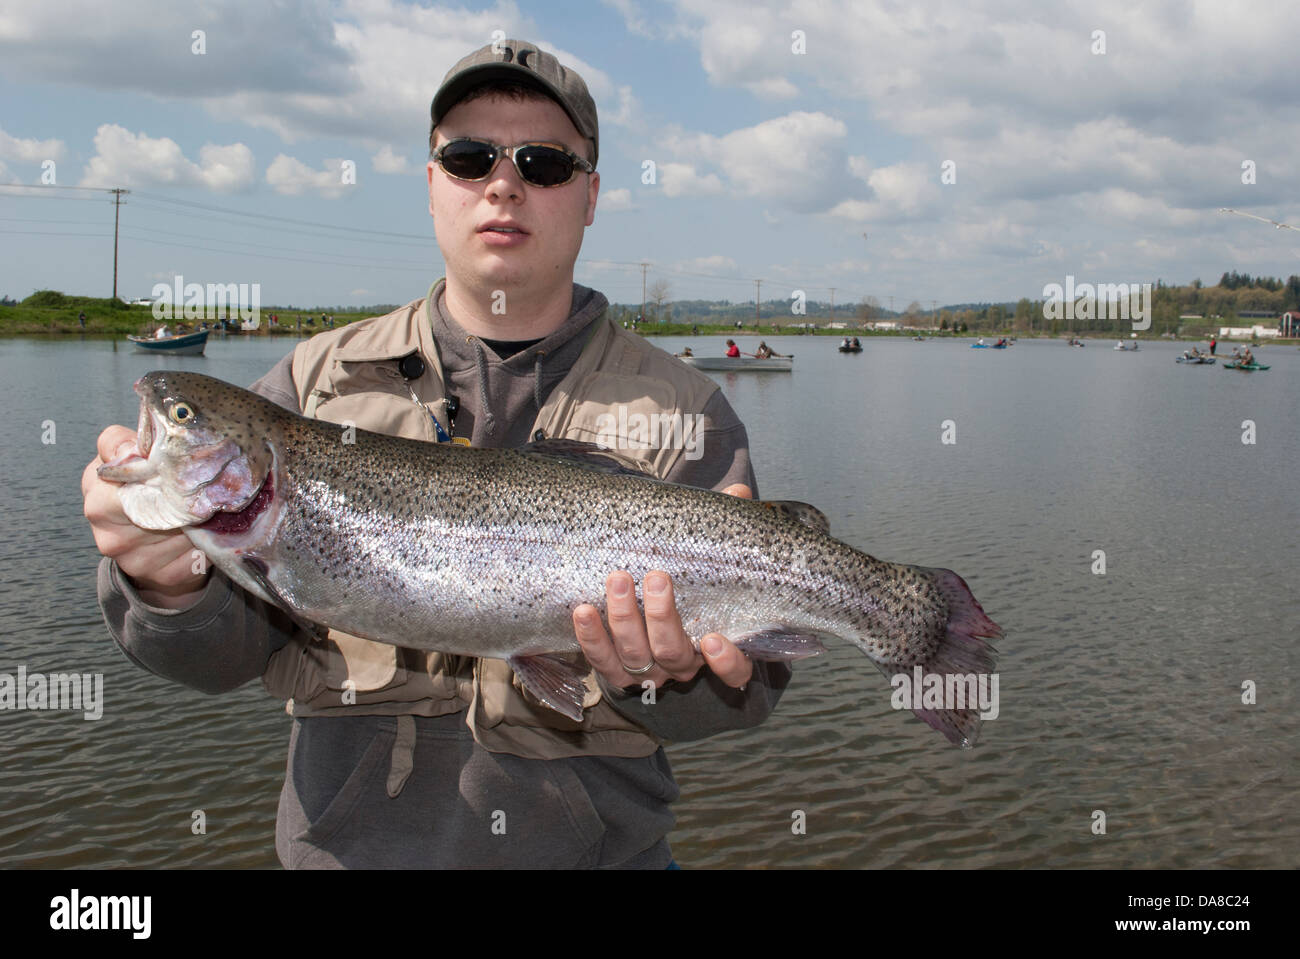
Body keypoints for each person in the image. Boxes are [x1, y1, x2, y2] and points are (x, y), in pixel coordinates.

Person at [82, 39, 788, 870]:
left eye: (544, 162)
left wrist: (675, 677)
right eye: (468, 156)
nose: (503, 182)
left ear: (591, 196)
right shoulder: (311, 383)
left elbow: (745, 695)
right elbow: (211, 662)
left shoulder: (686, 408)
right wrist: (167, 581)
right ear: (430, 185)